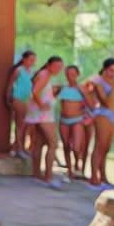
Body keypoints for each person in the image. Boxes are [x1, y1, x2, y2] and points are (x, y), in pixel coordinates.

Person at [26, 56, 64, 186]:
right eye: (56, 66)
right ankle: (48, 177)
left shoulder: (44, 74)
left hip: (38, 113)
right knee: (53, 144)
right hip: (43, 115)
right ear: (48, 65)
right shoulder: (45, 74)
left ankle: (36, 173)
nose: (58, 69)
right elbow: (35, 92)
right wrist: (42, 105)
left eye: (60, 67)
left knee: (39, 143)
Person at [86, 58, 114, 188]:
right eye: (111, 70)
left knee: (106, 148)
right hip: (103, 114)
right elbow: (106, 102)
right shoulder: (98, 81)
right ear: (104, 69)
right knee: (100, 145)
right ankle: (93, 177)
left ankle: (103, 176)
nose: (113, 73)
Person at [57, 65, 92, 179]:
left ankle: (77, 164)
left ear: (77, 75)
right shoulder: (62, 88)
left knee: (76, 147)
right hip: (63, 120)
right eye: (68, 74)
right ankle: (69, 170)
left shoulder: (81, 88)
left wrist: (89, 117)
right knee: (66, 145)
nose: (70, 76)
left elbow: (91, 104)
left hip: (77, 119)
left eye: (72, 74)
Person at [5, 50, 36, 160]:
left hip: (27, 99)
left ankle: (17, 146)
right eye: (30, 59)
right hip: (18, 98)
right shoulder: (19, 70)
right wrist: (8, 95)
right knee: (19, 124)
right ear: (24, 59)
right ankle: (19, 149)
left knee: (25, 125)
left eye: (34, 60)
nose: (32, 62)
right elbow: (10, 83)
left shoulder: (31, 72)